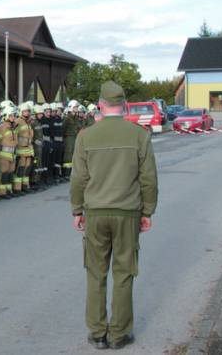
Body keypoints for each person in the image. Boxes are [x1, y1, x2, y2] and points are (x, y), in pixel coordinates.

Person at [71, 81, 158, 350]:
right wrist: (147, 211)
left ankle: (98, 332)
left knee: (95, 273)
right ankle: (119, 333)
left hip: (96, 213)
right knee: (124, 272)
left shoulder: (86, 136)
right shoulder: (139, 134)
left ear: (100, 104)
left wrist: (77, 209)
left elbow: (78, 179)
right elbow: (148, 179)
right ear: (123, 105)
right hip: (127, 213)